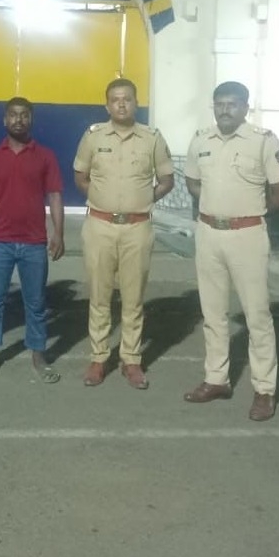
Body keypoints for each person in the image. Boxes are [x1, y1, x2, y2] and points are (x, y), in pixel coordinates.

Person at [182, 81, 279, 421]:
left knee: (257, 317)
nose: (224, 110)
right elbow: (192, 181)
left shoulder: (263, 140)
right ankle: (216, 379)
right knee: (213, 314)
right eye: (219, 104)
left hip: (247, 235)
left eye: (232, 104)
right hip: (208, 234)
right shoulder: (201, 138)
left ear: (246, 107)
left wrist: (251, 212)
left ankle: (264, 390)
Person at [74, 78, 175, 390]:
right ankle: (99, 357)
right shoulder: (93, 137)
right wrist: (105, 201)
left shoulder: (152, 138)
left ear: (135, 103)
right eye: (115, 100)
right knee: (100, 296)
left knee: (133, 298)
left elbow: (167, 179)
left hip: (137, 228)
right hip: (100, 226)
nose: (121, 104)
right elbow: (80, 176)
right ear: (107, 105)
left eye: (127, 99)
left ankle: (131, 360)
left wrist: (140, 201)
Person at [0, 97, 64, 383]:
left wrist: (58, 232)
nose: (19, 120)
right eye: (13, 115)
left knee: (35, 303)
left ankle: (38, 355)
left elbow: (56, 196)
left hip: (35, 243)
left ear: (31, 120)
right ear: (4, 120)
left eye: (24, 115)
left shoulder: (45, 156)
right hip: (0, 241)